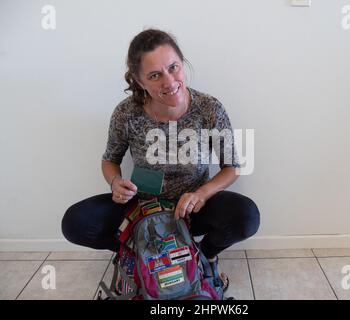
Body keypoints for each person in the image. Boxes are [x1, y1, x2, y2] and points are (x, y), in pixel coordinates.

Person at [62, 29, 260, 292]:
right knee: (75, 223)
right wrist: (115, 182)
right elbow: (109, 160)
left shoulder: (209, 108)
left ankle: (203, 256)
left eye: (173, 68)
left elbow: (232, 167)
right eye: (155, 75)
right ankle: (132, 251)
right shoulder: (126, 113)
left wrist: (202, 194)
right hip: (140, 209)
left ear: (182, 63)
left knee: (246, 216)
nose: (169, 82)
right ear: (139, 81)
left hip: (191, 210)